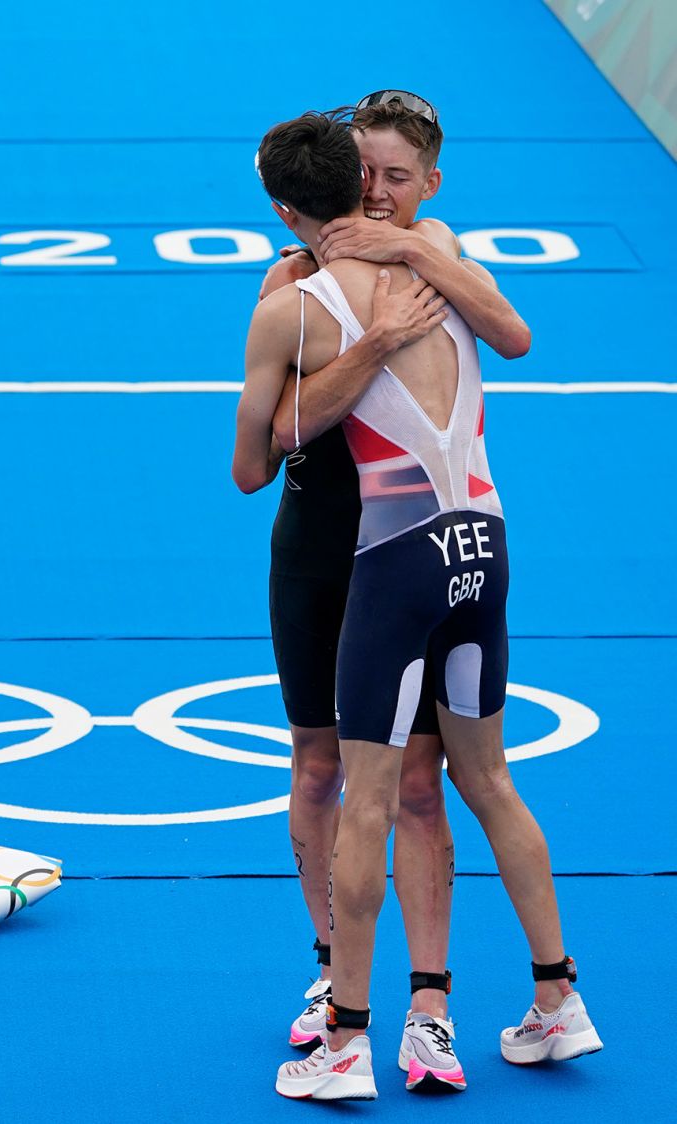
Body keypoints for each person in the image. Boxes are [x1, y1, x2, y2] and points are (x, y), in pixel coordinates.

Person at [242, 111, 600, 1101]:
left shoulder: (330, 293)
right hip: (475, 547)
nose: (378, 192)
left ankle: (353, 1037)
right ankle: (553, 997)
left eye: (397, 177)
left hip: (396, 562)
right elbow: (512, 337)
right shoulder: (419, 265)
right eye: (365, 175)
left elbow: (252, 452)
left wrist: (373, 273)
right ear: (338, 183)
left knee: (380, 794)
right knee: (475, 781)